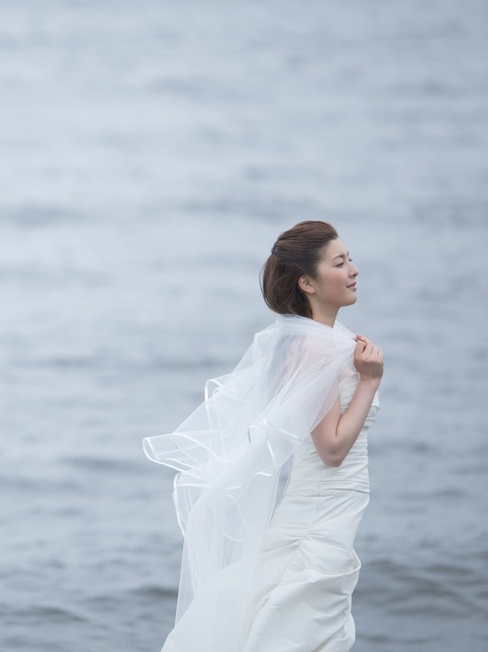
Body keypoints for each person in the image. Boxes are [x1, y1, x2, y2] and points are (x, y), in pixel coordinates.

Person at [143, 220, 385, 651]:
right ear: (307, 282)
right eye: (339, 263)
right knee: (296, 630)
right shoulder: (315, 348)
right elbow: (331, 449)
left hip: (332, 511)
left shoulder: (329, 340)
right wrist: (369, 382)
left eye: (351, 260)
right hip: (318, 514)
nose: (353, 270)